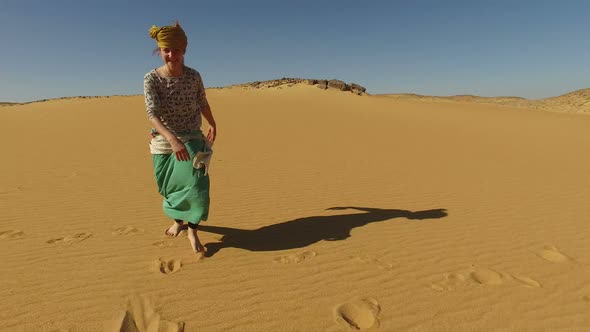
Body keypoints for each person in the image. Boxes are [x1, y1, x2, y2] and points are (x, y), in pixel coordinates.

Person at [144, 21, 217, 254]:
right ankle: (178, 222)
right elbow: (152, 114)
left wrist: (213, 123)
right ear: (160, 51)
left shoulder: (194, 76)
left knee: (198, 184)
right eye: (166, 50)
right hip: (164, 140)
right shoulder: (151, 79)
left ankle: (192, 230)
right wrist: (173, 140)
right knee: (168, 187)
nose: (171, 55)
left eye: (176, 50)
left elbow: (202, 101)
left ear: (184, 50)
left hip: (193, 137)